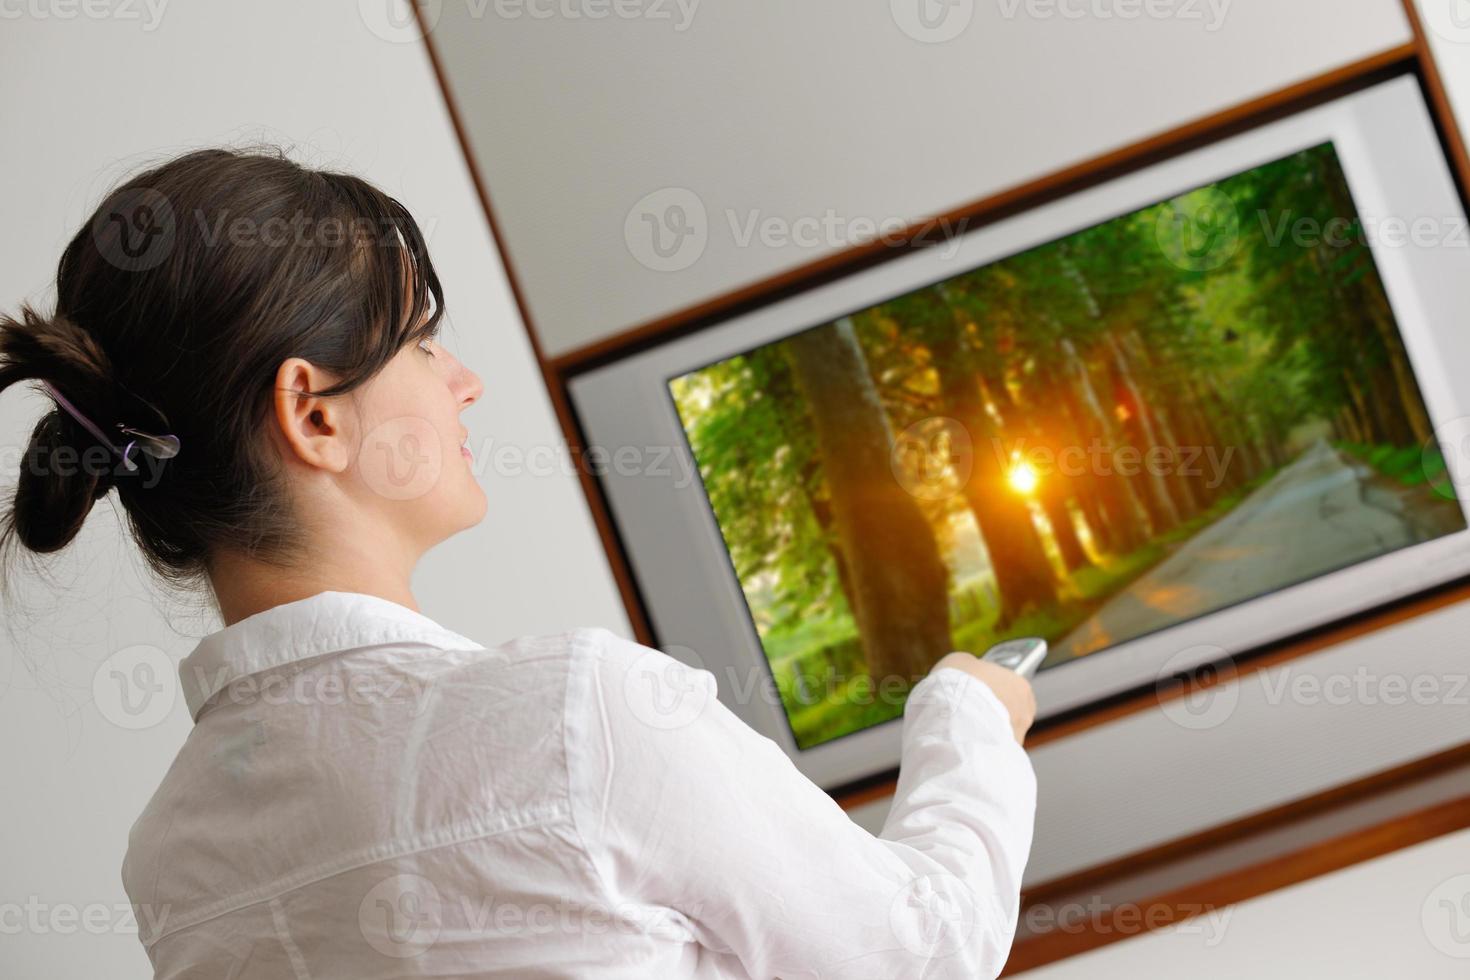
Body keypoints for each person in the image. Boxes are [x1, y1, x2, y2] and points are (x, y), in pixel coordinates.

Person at [0, 147, 1038, 978]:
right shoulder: (579, 716)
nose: (465, 381)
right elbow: (924, 949)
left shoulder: (171, 858)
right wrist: (969, 713)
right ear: (313, 413)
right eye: (419, 341)